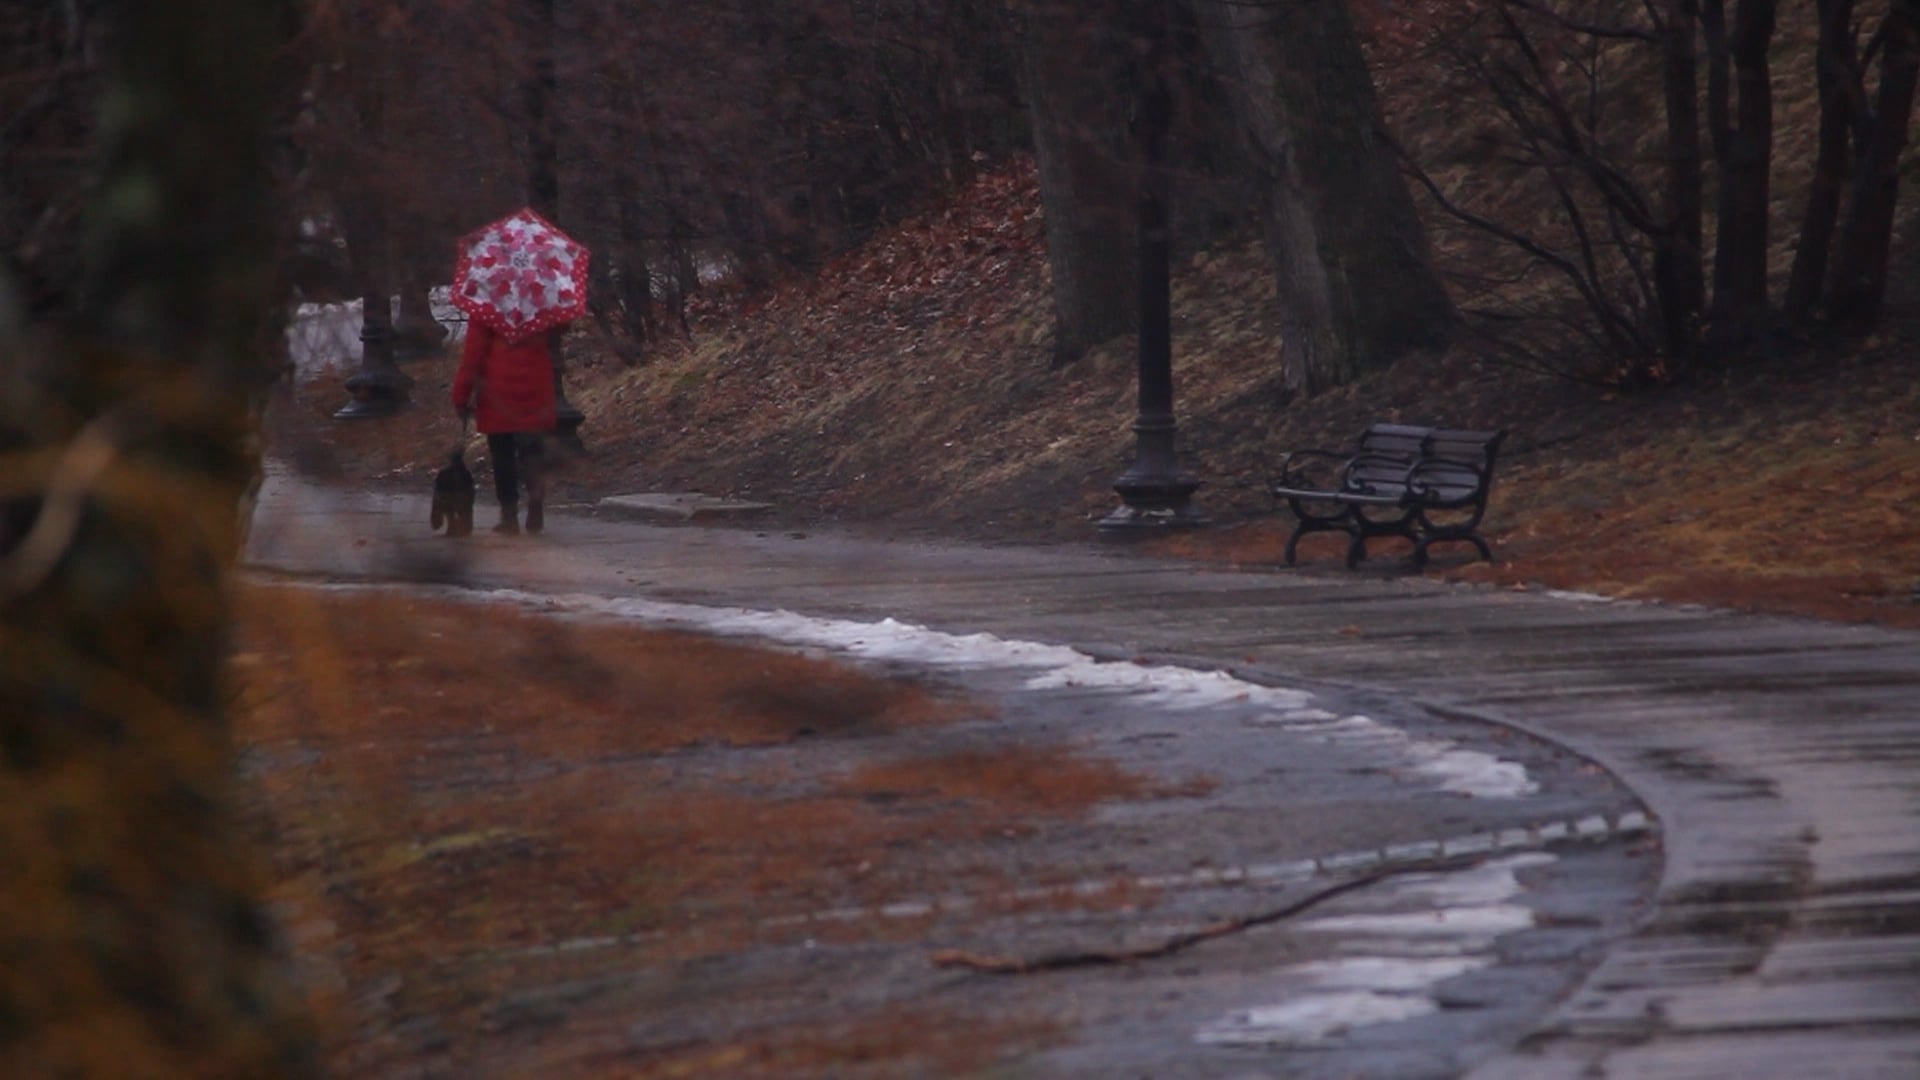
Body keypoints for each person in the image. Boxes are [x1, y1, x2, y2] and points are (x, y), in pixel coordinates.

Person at [451, 322, 555, 534]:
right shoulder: (540, 303)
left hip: (497, 390)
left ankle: (509, 515)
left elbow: (473, 356)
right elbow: (559, 329)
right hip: (536, 385)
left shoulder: (487, 307)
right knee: (533, 449)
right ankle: (536, 503)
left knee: (502, 455)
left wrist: (460, 395)